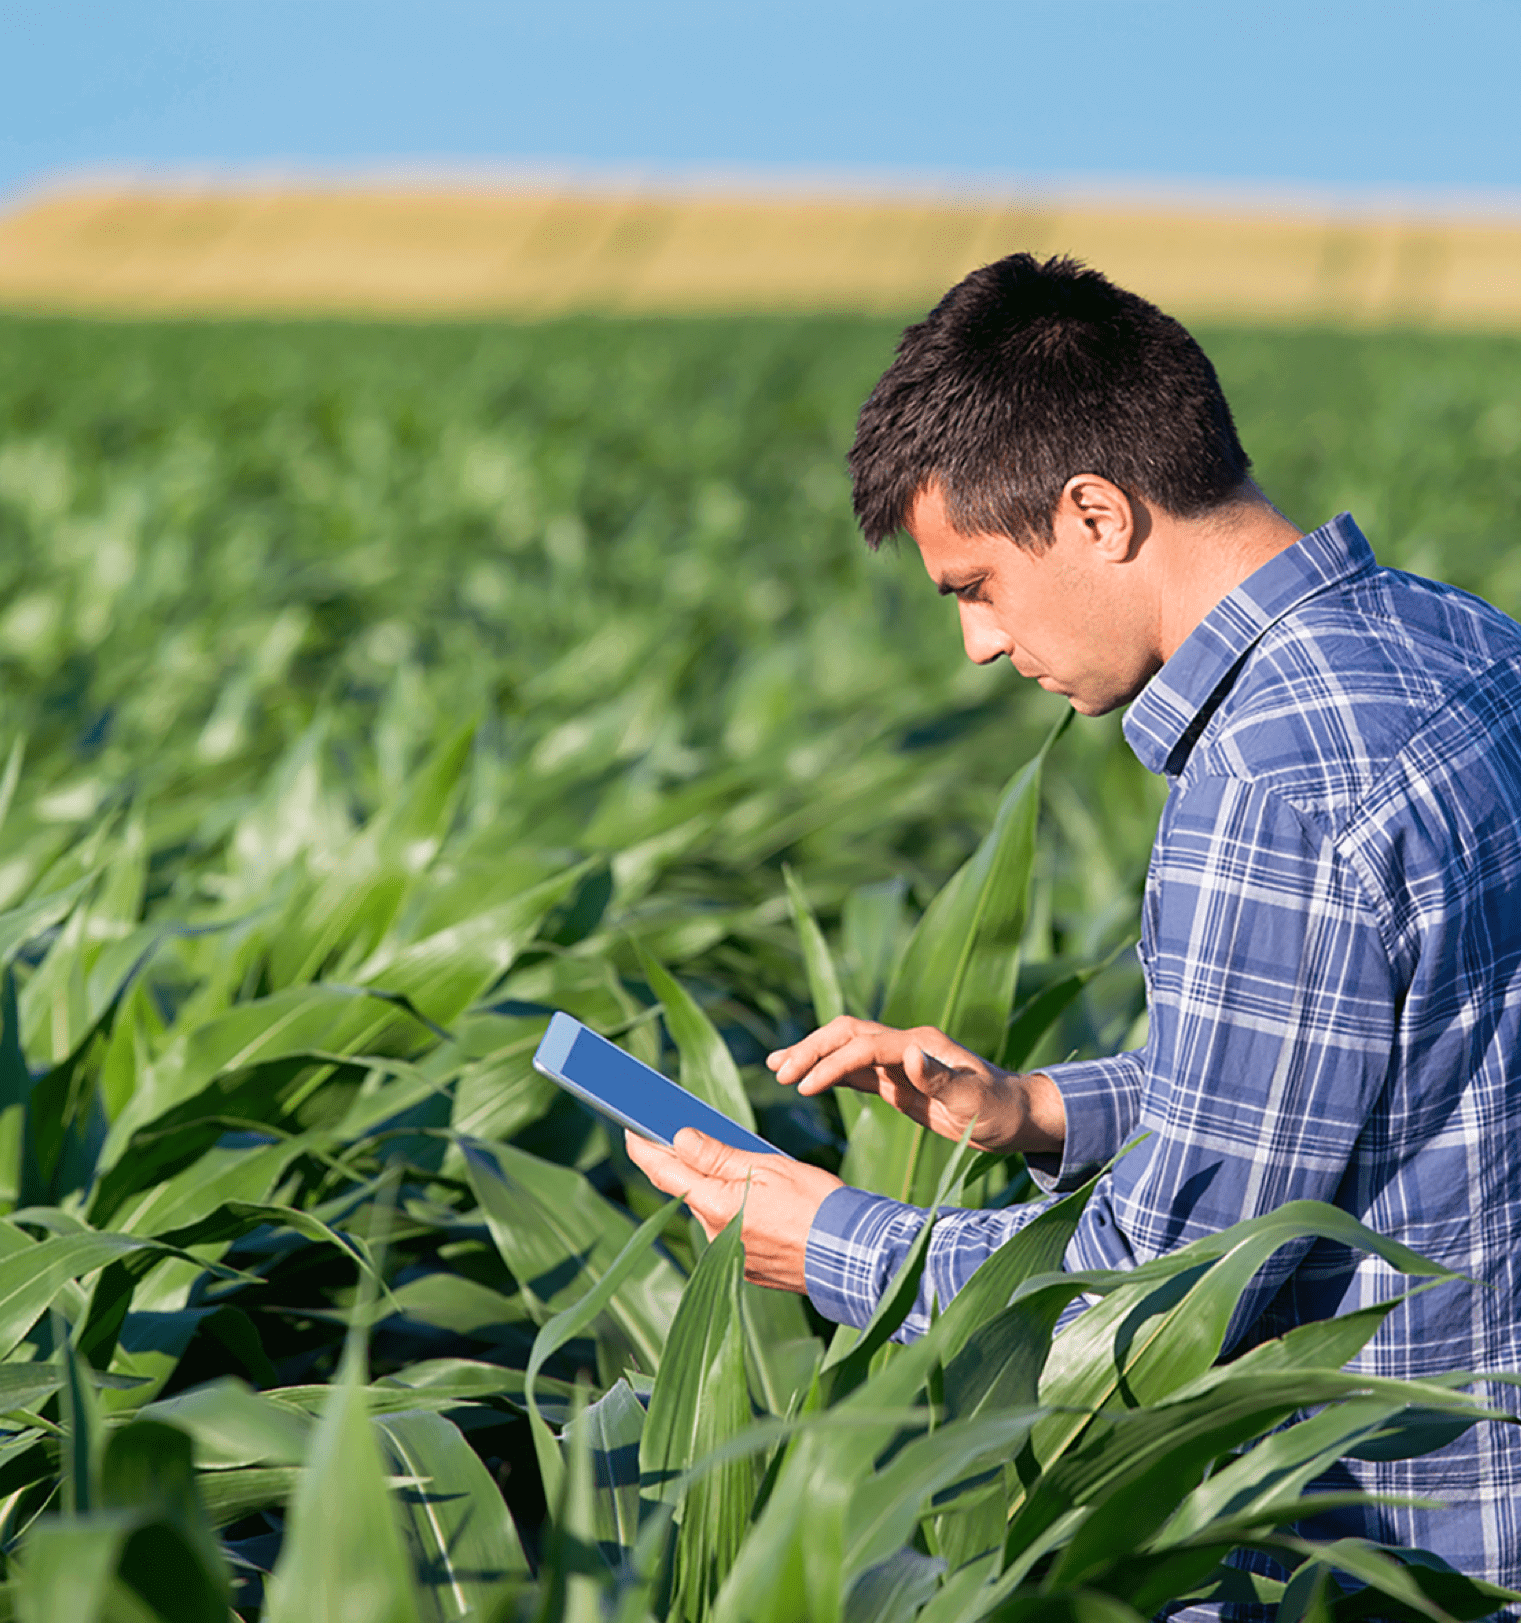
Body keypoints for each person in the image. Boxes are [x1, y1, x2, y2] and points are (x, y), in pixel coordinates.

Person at [624, 252, 1521, 1592]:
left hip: (1403, 1553)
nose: (978, 647)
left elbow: (1154, 1307)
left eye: (975, 585)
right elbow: (1379, 1064)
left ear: (1096, 512)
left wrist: (834, 1241)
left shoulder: (1268, 789)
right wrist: (1040, 1107)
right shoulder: (1464, 642)